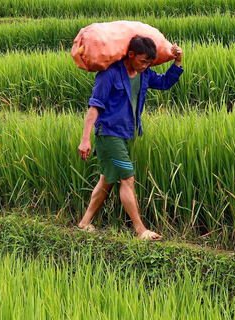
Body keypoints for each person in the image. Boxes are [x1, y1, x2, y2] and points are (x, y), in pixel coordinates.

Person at [77, 35, 183, 240]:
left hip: (126, 134)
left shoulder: (144, 74)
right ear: (131, 54)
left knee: (107, 180)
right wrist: (85, 139)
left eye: (149, 62)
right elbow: (94, 106)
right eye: (143, 61)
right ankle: (140, 230)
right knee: (127, 178)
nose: (145, 65)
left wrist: (177, 62)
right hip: (108, 134)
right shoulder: (109, 74)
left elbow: (164, 83)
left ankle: (84, 223)